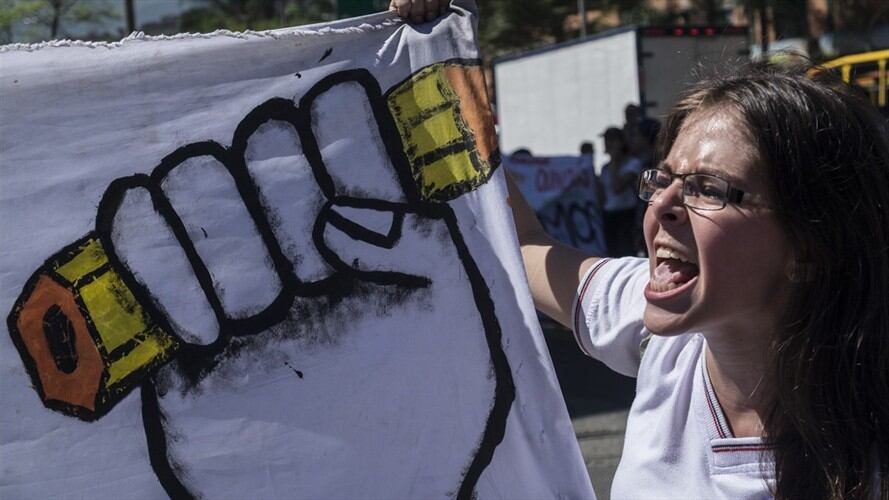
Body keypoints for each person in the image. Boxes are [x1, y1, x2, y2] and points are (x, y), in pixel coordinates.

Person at [392, 3, 888, 498]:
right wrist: (435, 65)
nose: (663, 206)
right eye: (665, 179)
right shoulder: (662, 330)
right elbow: (520, 245)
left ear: (808, 246)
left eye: (709, 189)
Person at [599, 127, 642, 256]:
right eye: (606, 140)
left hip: (626, 214)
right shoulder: (605, 168)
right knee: (612, 252)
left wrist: (615, 161)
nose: (608, 144)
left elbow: (617, 187)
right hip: (609, 214)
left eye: (611, 140)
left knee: (626, 250)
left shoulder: (632, 164)